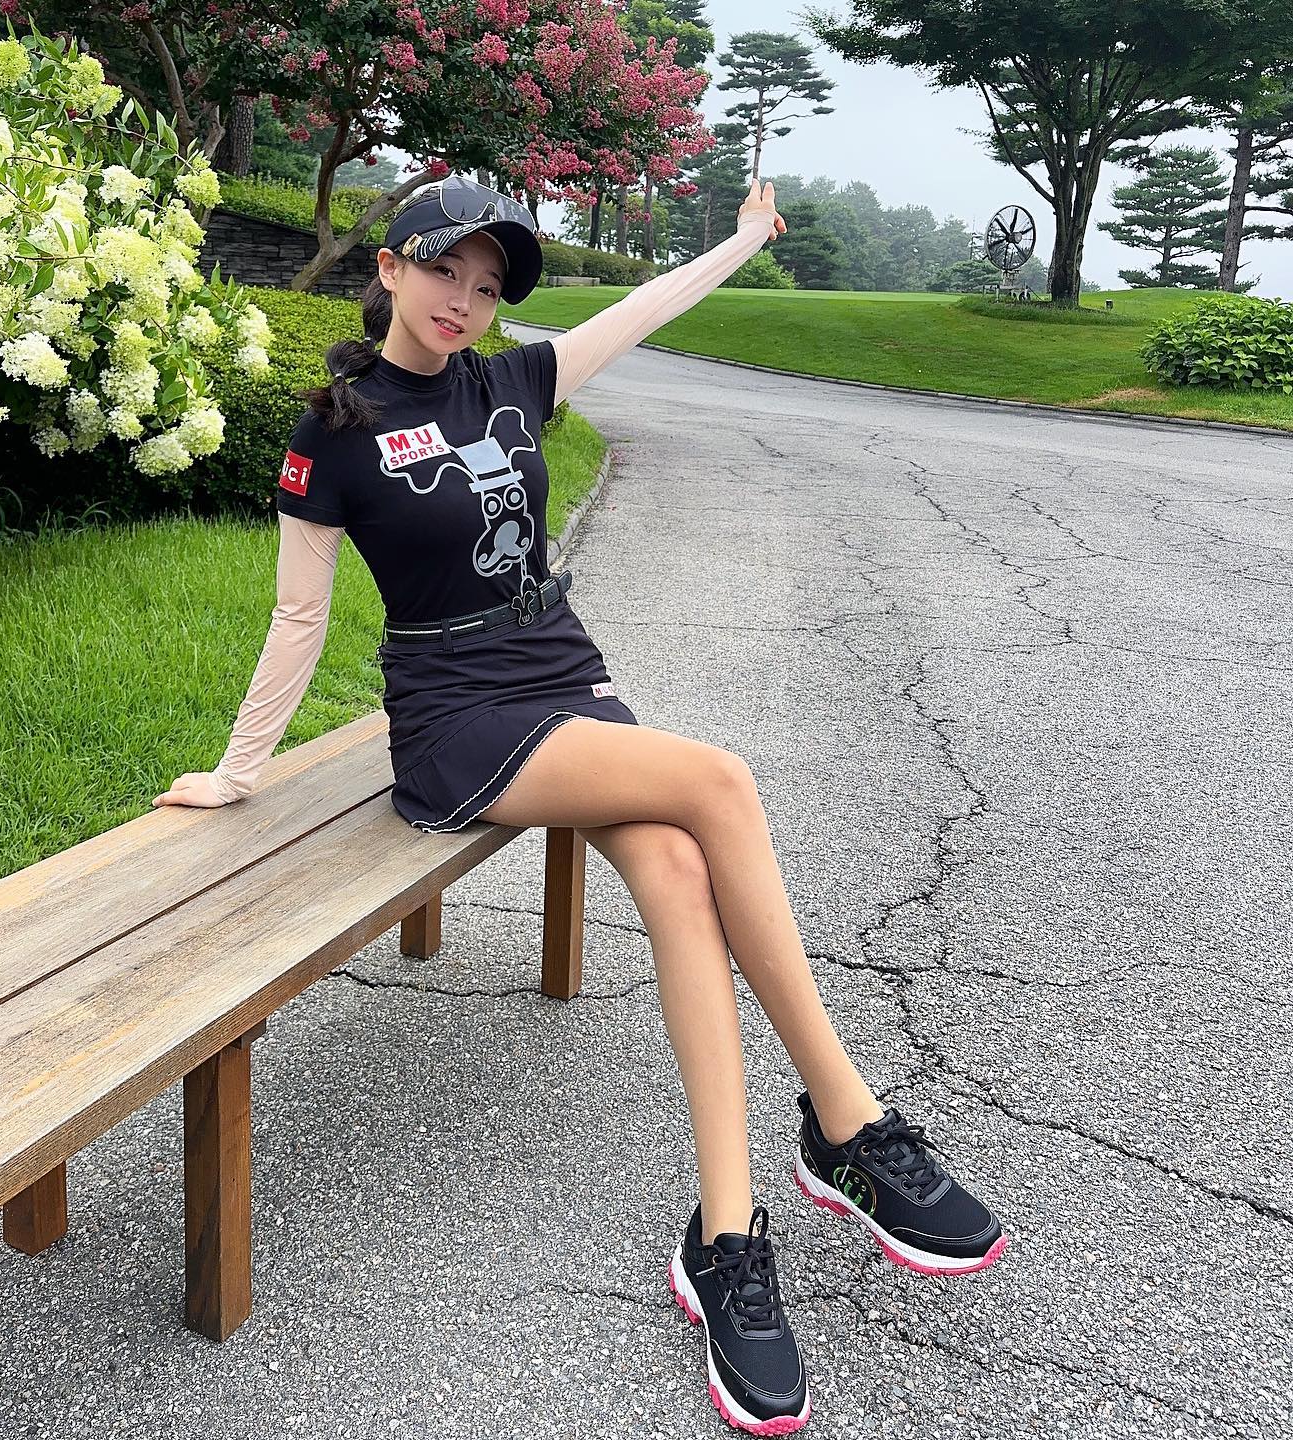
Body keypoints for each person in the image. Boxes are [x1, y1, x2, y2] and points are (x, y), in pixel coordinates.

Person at [153, 174, 1005, 1434]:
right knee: (719, 779)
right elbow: (298, 616)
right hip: (454, 714)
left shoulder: (515, 381)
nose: (466, 299)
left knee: (677, 871)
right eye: (445, 270)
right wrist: (238, 771)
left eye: (489, 284)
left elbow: (651, 308)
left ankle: (726, 1235)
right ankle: (846, 1119)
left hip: (560, 674)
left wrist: (742, 239)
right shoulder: (333, 428)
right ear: (390, 268)